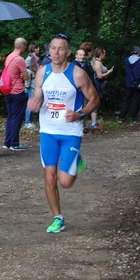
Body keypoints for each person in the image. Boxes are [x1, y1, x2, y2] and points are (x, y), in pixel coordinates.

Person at [28, 33, 99, 233]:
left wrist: (79, 114)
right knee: (49, 177)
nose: (56, 52)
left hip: (70, 131)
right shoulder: (42, 72)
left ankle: (76, 160)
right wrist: (34, 104)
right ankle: (58, 217)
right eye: (53, 48)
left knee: (65, 182)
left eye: (61, 49)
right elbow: (38, 97)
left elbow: (94, 99)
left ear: (67, 52)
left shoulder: (77, 74)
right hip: (48, 131)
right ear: (48, 51)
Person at [2, 37, 29, 150]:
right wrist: (26, 75)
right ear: (22, 46)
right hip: (18, 91)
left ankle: (7, 142)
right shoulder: (19, 59)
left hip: (8, 91)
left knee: (10, 117)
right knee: (17, 117)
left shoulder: (9, 57)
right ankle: (14, 143)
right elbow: (26, 76)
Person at [118, 46, 140, 123]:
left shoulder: (126, 60)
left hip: (128, 83)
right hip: (137, 84)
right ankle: (133, 118)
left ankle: (121, 117)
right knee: (135, 101)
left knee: (126, 100)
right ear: (139, 52)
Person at [90, 47, 114, 130]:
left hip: (99, 85)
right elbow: (99, 76)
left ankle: (94, 122)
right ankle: (93, 123)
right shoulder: (97, 63)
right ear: (101, 54)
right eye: (104, 53)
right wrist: (108, 72)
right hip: (97, 85)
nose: (105, 55)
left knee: (96, 103)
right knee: (95, 103)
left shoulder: (97, 62)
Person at [24, 42, 40, 128]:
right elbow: (24, 69)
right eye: (37, 48)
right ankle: (27, 122)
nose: (39, 50)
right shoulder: (29, 58)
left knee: (32, 101)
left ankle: (29, 121)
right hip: (31, 83)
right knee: (30, 102)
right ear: (35, 49)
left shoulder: (35, 58)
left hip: (35, 83)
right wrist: (32, 74)